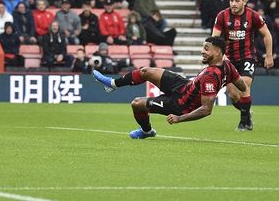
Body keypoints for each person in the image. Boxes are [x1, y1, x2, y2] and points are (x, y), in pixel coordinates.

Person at [93, 36, 247, 139]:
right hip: (183, 85)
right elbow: (241, 84)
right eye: (203, 48)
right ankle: (112, 84)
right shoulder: (227, 66)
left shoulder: (211, 77)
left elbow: (207, 110)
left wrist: (180, 118)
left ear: (218, 52)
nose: (202, 51)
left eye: (206, 49)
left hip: (180, 104)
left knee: (137, 104)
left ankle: (146, 131)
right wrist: (228, 82)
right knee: (146, 71)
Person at [212, 0, 274, 130]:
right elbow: (214, 38)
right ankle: (246, 113)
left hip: (247, 56)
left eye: (237, 1)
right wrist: (218, 56)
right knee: (233, 94)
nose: (233, 4)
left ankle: (243, 122)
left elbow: (267, 35)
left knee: (244, 84)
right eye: (231, 1)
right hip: (229, 58)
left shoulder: (253, 16)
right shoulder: (222, 16)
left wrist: (269, 55)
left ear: (245, 1)